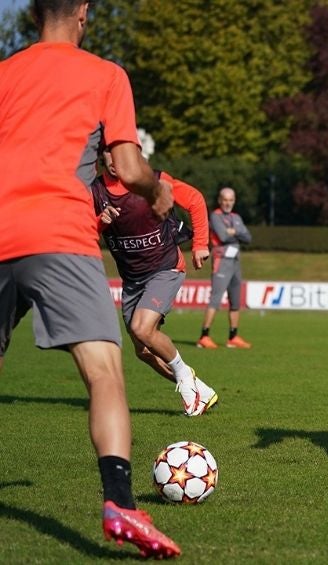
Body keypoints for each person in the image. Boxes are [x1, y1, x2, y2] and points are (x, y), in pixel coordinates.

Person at [0, 0, 179, 557]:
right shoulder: (105, 75)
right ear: (82, 12)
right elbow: (125, 166)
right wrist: (156, 191)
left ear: (32, 15)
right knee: (103, 372)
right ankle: (121, 503)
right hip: (57, 231)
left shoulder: (4, 74)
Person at [93, 149, 219, 417]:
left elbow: (195, 199)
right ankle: (196, 388)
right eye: (109, 154)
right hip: (132, 279)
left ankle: (184, 374)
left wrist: (199, 244)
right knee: (143, 351)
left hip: (165, 268)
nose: (115, 160)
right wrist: (99, 223)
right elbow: (80, 234)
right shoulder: (95, 192)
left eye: (120, 152)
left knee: (141, 327)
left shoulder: (154, 180)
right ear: (102, 156)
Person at [197, 187, 252, 349]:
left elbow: (248, 238)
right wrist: (237, 233)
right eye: (225, 200)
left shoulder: (236, 217)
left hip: (235, 261)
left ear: (234, 201)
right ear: (220, 201)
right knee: (215, 299)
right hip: (221, 260)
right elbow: (222, 236)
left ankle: (233, 336)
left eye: (231, 200)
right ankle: (204, 336)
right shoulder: (215, 216)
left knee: (235, 301)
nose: (228, 203)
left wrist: (233, 231)